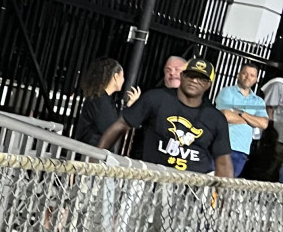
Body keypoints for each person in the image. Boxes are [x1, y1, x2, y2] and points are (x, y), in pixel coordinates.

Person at [98, 58, 233, 176]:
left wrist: (224, 194)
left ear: (209, 84)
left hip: (191, 188)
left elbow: (223, 161)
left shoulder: (215, 118)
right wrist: (97, 158)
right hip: (150, 177)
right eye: (190, 76)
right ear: (182, 76)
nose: (194, 81)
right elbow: (121, 125)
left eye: (201, 79)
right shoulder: (156, 98)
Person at [214, 61, 268, 177]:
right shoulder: (227, 92)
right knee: (212, 183)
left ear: (256, 79)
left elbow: (264, 123)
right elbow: (225, 115)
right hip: (223, 146)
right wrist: (252, 121)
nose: (248, 77)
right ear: (239, 75)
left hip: (242, 150)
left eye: (252, 75)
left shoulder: (259, 101)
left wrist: (241, 113)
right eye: (245, 73)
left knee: (229, 185)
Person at [73, 58, 141, 146]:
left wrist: (129, 106)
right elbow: (112, 129)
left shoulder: (102, 99)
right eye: (122, 76)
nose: (123, 80)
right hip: (90, 150)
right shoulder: (100, 100)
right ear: (116, 77)